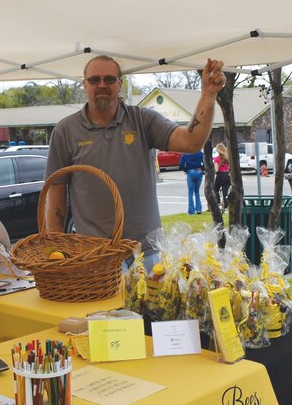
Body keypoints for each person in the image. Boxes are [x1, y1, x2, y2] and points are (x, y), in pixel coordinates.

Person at [44, 55, 225, 258]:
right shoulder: (66, 131)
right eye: (94, 80)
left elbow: (191, 141)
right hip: (95, 258)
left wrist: (208, 95)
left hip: (147, 253)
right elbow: (56, 193)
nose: (102, 85)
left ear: (120, 84)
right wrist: (56, 251)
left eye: (109, 79)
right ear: (85, 84)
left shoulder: (143, 120)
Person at [178, 149, 204, 214]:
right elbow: (205, 161)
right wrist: (202, 168)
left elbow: (181, 164)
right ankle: (199, 209)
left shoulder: (185, 153)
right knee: (197, 191)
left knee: (190, 192)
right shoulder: (199, 153)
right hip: (199, 171)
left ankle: (191, 211)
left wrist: (185, 170)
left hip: (190, 171)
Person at [213, 142, 231, 210]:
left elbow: (216, 169)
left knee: (216, 189)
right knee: (225, 192)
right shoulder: (228, 158)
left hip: (220, 175)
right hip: (227, 175)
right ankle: (226, 206)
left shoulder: (217, 158)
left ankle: (218, 203)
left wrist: (215, 171)